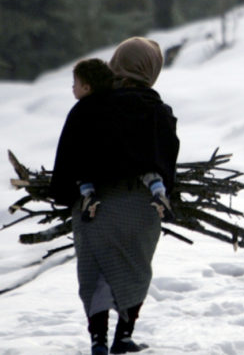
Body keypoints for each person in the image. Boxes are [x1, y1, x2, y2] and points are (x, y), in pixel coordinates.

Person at [50, 37, 180, 355]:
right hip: (139, 208)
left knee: (95, 271)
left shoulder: (89, 107)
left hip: (95, 207)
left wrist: (69, 195)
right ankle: (123, 337)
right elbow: (165, 166)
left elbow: (68, 160)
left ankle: (97, 341)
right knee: (134, 268)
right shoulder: (159, 112)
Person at [70, 58, 174, 223]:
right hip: (143, 193)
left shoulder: (90, 107)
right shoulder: (158, 108)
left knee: (83, 173)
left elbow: (70, 150)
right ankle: (158, 192)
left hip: (100, 179)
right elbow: (167, 151)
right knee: (150, 172)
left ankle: (88, 195)